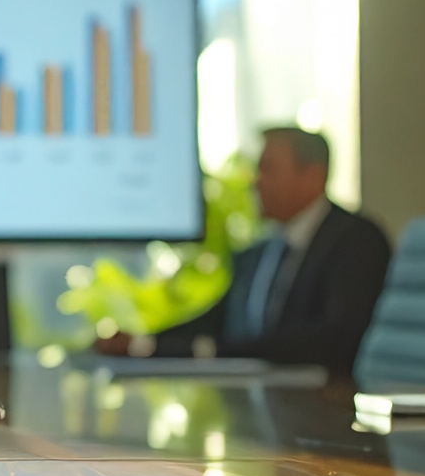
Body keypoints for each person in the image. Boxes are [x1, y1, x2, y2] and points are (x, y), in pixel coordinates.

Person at [97, 126, 390, 375]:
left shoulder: (354, 240)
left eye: (268, 169)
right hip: (264, 396)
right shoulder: (264, 251)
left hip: (327, 402)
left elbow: (333, 339)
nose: (256, 182)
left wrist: (223, 351)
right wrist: (146, 343)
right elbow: (218, 320)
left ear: (312, 177)